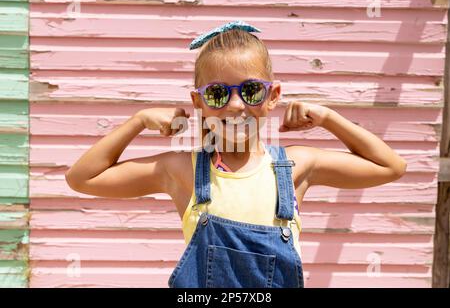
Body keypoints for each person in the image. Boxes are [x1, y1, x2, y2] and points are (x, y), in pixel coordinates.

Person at [65, 20, 407, 288]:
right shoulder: (183, 170)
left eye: (251, 90)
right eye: (217, 94)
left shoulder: (293, 167)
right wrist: (137, 121)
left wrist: (328, 117)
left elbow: (390, 166)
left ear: (273, 96)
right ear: (198, 102)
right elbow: (82, 178)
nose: (235, 105)